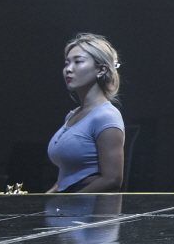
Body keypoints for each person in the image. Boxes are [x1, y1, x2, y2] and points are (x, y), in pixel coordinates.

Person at [47, 34, 126, 193]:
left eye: (78, 62)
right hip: (68, 203)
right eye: (67, 63)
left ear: (101, 69)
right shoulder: (73, 115)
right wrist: (46, 200)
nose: (69, 69)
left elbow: (112, 179)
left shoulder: (106, 116)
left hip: (89, 206)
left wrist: (68, 201)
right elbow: (68, 177)